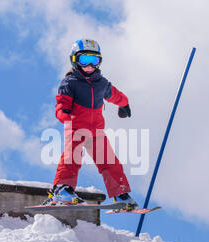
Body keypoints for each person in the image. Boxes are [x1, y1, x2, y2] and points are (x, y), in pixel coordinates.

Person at [43, 39, 138, 210]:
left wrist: (124, 103)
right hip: (76, 128)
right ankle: (62, 189)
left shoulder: (101, 83)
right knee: (72, 157)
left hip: (96, 132)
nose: (89, 66)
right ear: (74, 60)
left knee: (109, 161)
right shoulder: (70, 82)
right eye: (84, 60)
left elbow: (115, 94)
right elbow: (61, 103)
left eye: (94, 61)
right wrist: (63, 114)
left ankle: (121, 193)